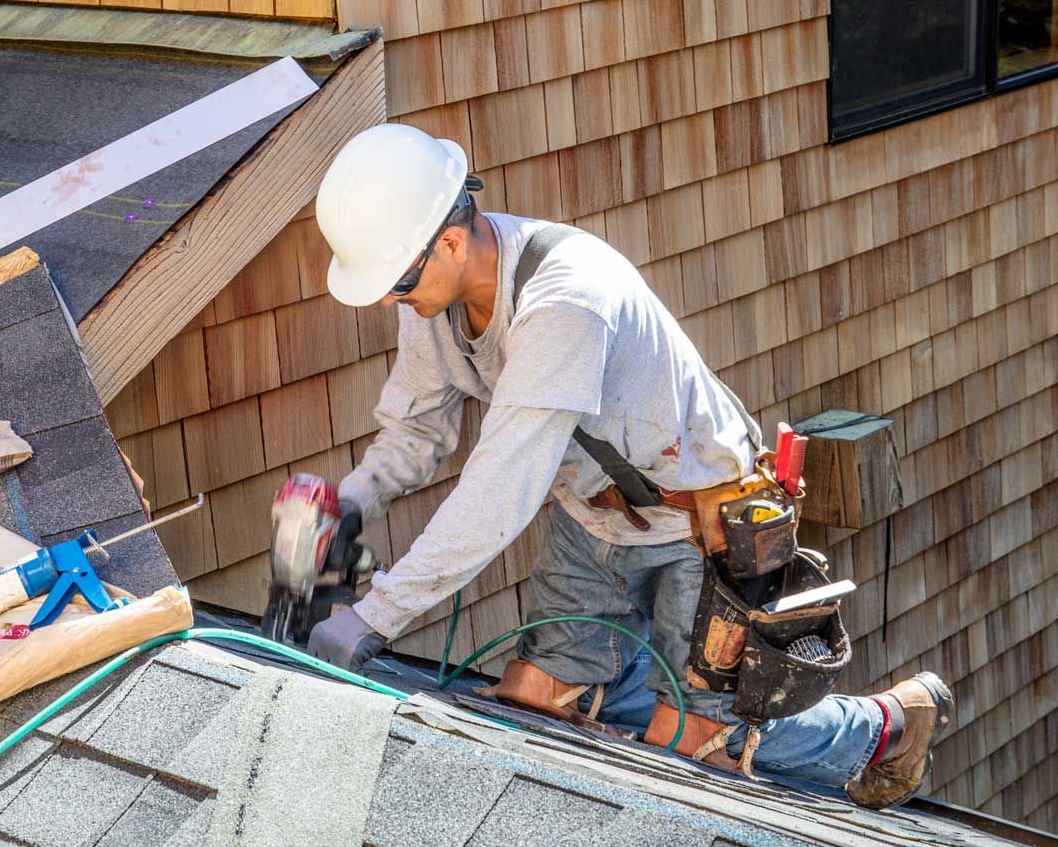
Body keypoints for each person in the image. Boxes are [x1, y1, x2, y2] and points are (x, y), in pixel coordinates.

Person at [302, 122, 953, 809]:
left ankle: (887, 723)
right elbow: (413, 432)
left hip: (701, 523)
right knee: (536, 698)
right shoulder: (430, 298)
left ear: (452, 241)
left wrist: (374, 616)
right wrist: (346, 507)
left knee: (698, 745)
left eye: (396, 282)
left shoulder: (566, 302)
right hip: (593, 521)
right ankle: (661, 686)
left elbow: (499, 492)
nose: (387, 299)